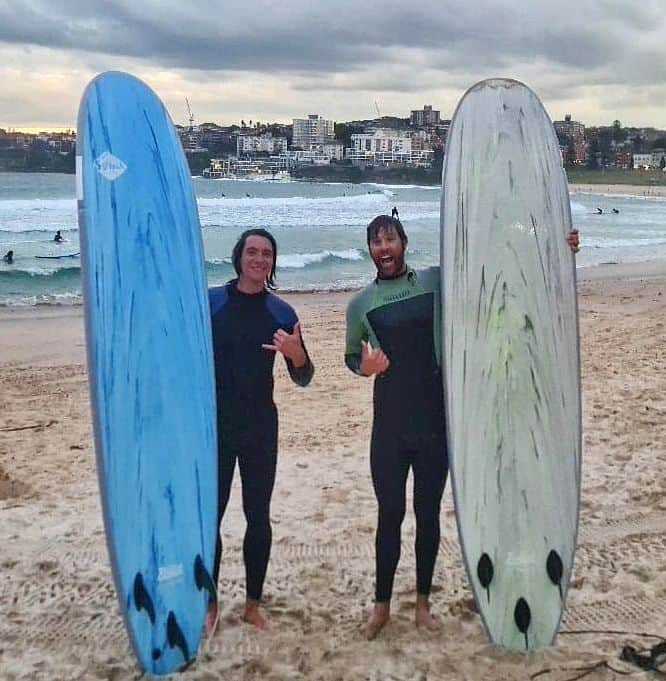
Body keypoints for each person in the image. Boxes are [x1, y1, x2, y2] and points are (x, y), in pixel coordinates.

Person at [345, 215, 580, 641]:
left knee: (428, 514)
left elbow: (492, 263)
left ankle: (421, 605)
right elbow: (350, 358)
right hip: (390, 429)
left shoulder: (435, 281)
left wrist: (558, 248)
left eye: (391, 239)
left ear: (403, 242)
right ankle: (381, 607)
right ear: (369, 250)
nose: (384, 247)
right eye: (376, 241)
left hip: (435, 422)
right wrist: (364, 366)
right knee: (390, 515)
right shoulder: (359, 305)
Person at [207, 228, 314, 633]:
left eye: (266, 253)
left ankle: (252, 605)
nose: (259, 259)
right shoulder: (210, 303)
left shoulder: (282, 314)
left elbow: (303, 377)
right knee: (209, 518)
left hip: (259, 427)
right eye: (252, 251)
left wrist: (296, 354)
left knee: (258, 516)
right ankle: (209, 604)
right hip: (215, 427)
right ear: (239, 257)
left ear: (272, 262)